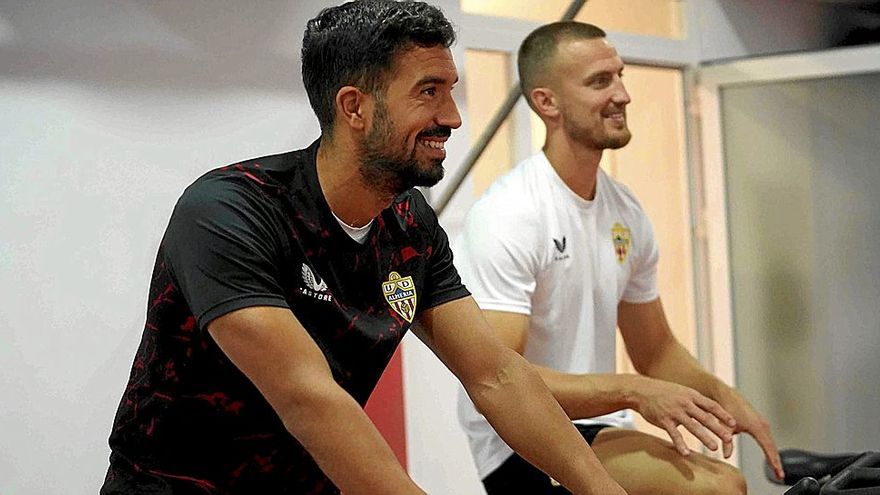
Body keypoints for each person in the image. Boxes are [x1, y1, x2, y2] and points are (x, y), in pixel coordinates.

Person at [100, 3, 628, 494]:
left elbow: (497, 374)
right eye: (428, 92)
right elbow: (309, 398)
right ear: (354, 107)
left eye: (450, 89)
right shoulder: (229, 212)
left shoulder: (408, 224)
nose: (453, 116)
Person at [456, 21, 784, 494]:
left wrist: (725, 397)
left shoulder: (624, 210)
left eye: (620, 75)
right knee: (715, 490)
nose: (623, 94)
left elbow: (656, 350)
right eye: (599, 81)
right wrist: (633, 390)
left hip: (598, 424)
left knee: (728, 480)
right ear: (546, 102)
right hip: (518, 438)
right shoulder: (510, 213)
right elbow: (500, 380)